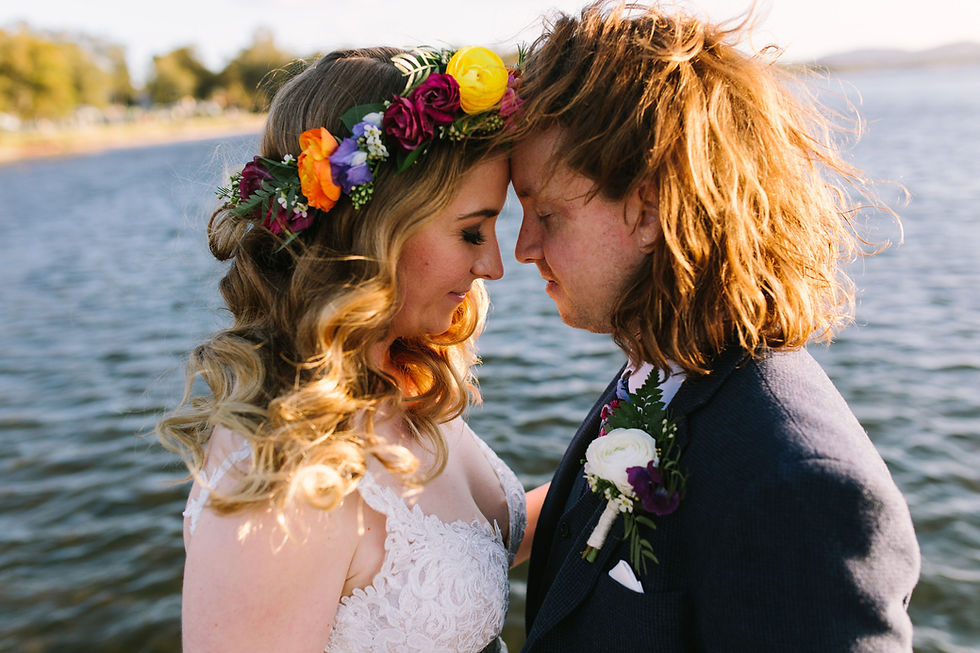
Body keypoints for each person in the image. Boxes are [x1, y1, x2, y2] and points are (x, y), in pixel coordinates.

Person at [508, 2, 921, 651]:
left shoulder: (802, 484)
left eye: (547, 214)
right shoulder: (662, 368)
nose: (524, 247)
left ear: (648, 210)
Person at [157, 45, 529, 652]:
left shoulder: (396, 376)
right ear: (377, 227)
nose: (492, 264)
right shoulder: (283, 473)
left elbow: (475, 551)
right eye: (471, 231)